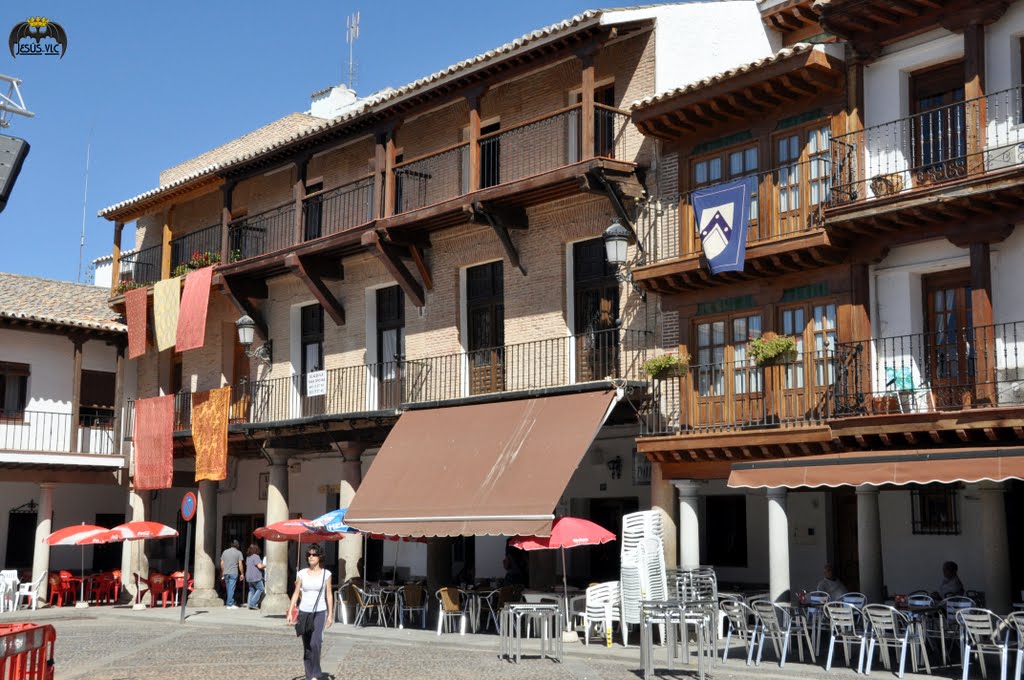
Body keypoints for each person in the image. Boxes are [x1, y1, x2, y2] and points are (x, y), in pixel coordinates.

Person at [287, 543, 333, 680]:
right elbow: (296, 593)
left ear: (320, 557)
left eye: (314, 554)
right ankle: (309, 676)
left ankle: (316, 673)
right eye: (309, 555)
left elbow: (329, 594)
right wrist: (290, 612)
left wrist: (330, 614)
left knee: (315, 642)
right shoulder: (301, 574)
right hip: (304, 612)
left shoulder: (326, 574)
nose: (311, 557)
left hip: (319, 611)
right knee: (307, 646)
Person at [220, 539, 244, 609]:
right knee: (231, 588)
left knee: (228, 588)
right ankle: (230, 604)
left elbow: (221, 563)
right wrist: (242, 573)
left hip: (226, 572)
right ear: (237, 545)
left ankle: (230, 602)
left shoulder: (225, 552)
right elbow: (240, 564)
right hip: (233, 572)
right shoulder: (239, 553)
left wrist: (223, 571)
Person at [245, 544, 265, 610]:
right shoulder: (256, 556)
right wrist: (266, 565)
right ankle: (252, 604)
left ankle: (249, 604)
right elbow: (260, 566)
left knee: (251, 590)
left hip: (248, 577)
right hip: (255, 577)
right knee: (261, 589)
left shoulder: (248, 557)